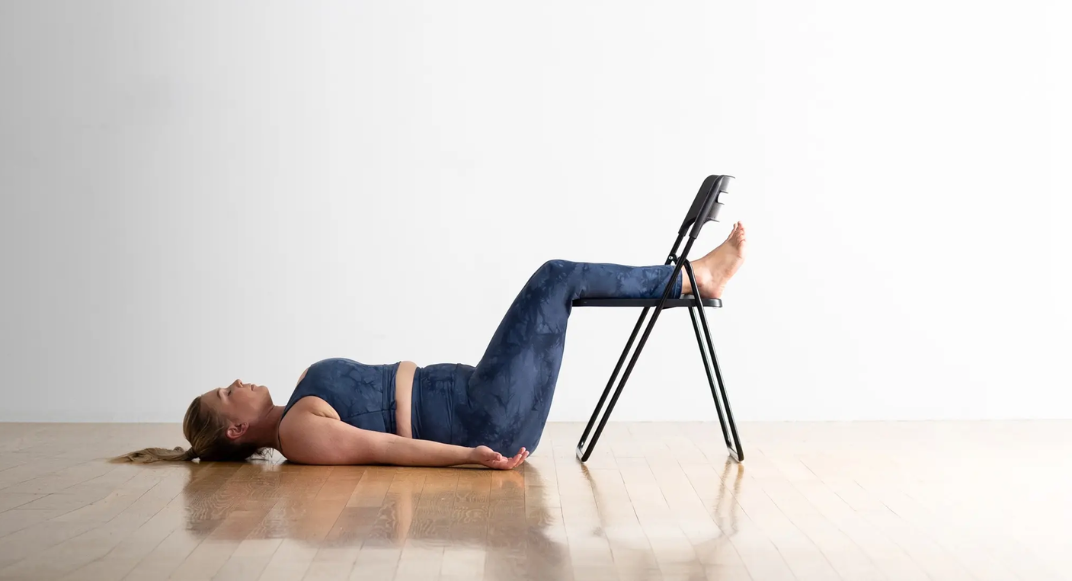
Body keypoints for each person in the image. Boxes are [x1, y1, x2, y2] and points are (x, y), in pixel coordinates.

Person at [117, 222, 747, 470]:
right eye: (226, 393)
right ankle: (694, 277)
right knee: (557, 277)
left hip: (480, 395)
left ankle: (688, 280)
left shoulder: (302, 390)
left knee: (560, 288)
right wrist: (472, 458)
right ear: (235, 429)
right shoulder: (299, 433)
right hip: (484, 420)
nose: (236, 381)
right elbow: (386, 449)